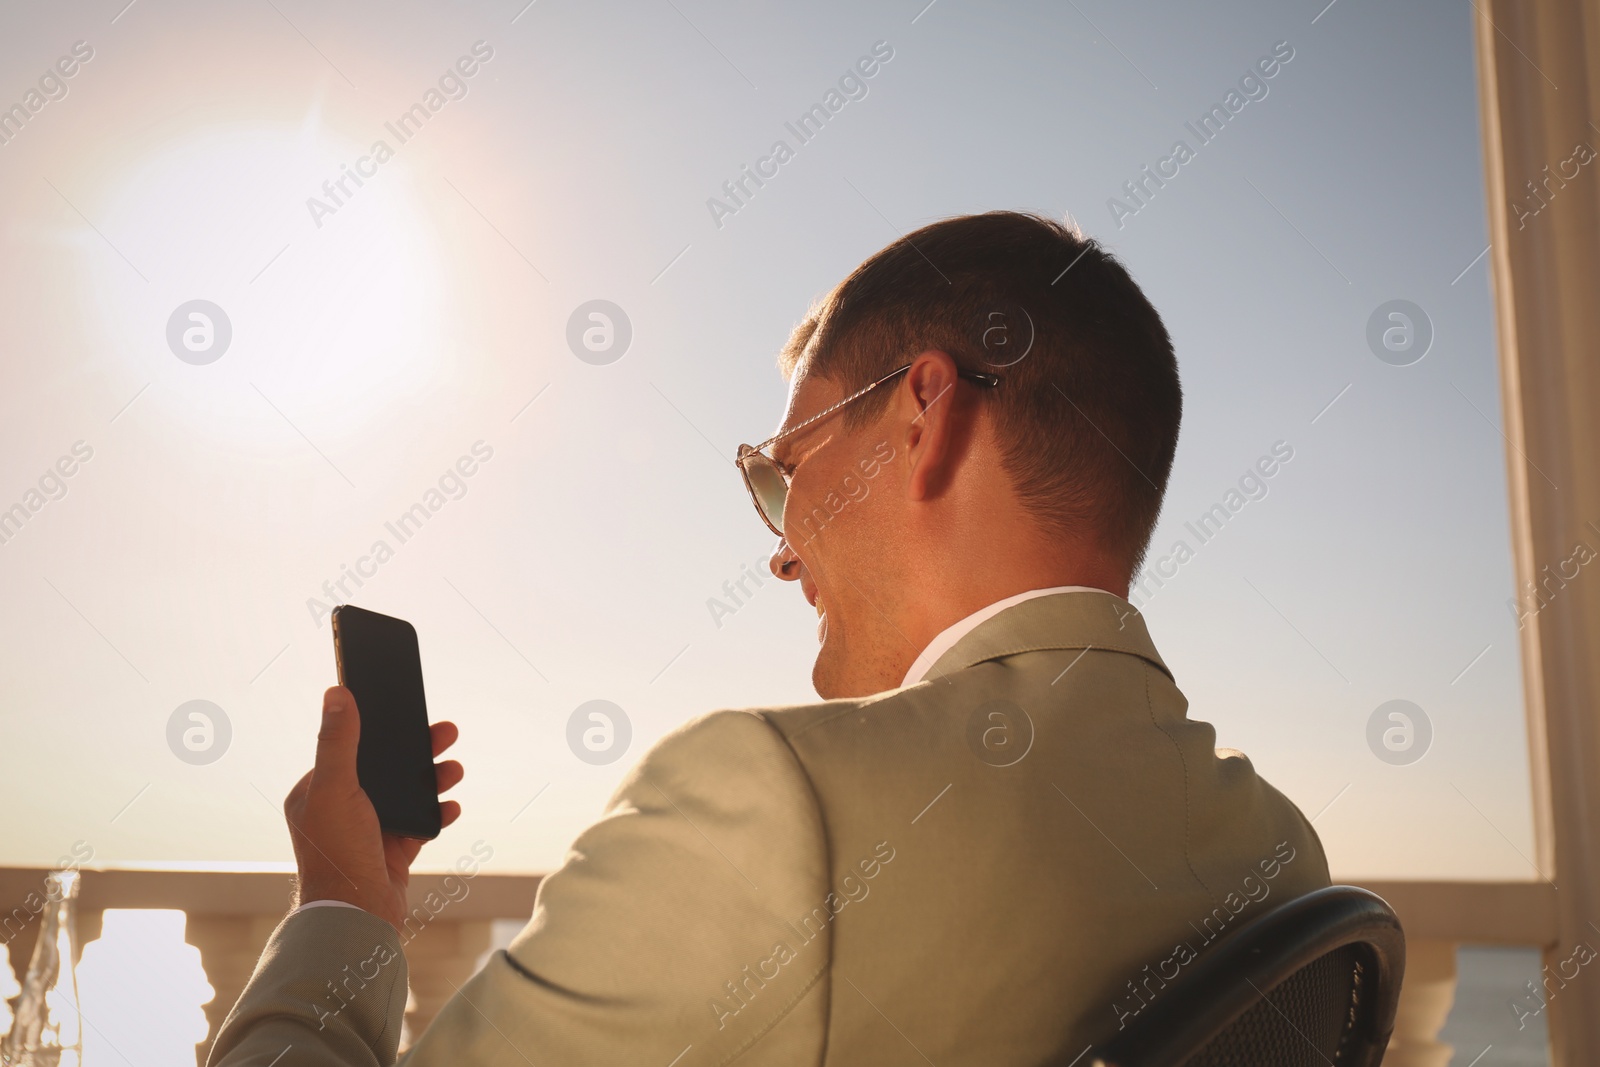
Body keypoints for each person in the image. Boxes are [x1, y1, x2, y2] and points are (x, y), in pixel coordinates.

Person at [209, 211, 1329, 1066]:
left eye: (783, 475)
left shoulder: (769, 803)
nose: (782, 553)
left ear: (920, 420)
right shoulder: (1283, 855)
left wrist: (346, 908)